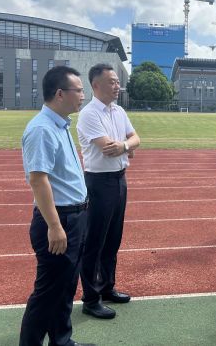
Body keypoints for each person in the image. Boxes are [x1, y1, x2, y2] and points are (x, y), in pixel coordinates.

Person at [20, 66, 94, 346]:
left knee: (65, 288)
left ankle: (61, 341)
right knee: (48, 293)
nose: (83, 96)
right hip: (60, 220)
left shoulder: (59, 125)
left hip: (74, 217)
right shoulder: (42, 129)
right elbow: (38, 179)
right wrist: (54, 226)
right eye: (79, 90)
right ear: (60, 93)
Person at [77, 64, 140, 319]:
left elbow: (135, 139)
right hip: (98, 182)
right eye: (111, 82)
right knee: (94, 241)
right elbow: (107, 148)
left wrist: (124, 146)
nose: (117, 86)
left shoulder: (119, 111)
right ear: (96, 85)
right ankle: (91, 298)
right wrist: (128, 147)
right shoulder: (89, 114)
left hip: (119, 179)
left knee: (113, 239)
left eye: (117, 81)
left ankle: (106, 287)